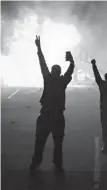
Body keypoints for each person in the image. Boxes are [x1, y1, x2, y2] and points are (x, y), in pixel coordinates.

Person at [29, 36, 75, 172]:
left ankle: (36, 163)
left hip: (45, 115)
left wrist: (38, 48)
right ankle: (57, 163)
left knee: (40, 142)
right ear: (59, 72)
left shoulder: (48, 79)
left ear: (52, 71)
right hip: (57, 117)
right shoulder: (62, 81)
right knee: (58, 143)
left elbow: (42, 63)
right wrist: (71, 61)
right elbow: (70, 70)